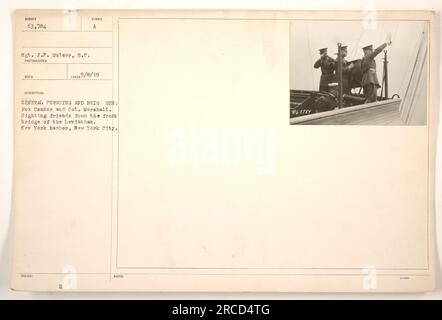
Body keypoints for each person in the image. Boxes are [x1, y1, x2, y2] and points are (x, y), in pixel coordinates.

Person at [361, 33, 392, 103]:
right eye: (371, 50)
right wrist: (386, 43)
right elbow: (377, 50)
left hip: (368, 81)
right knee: (372, 101)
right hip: (370, 80)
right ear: (366, 51)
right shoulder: (368, 57)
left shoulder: (365, 59)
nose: (372, 51)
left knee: (369, 99)